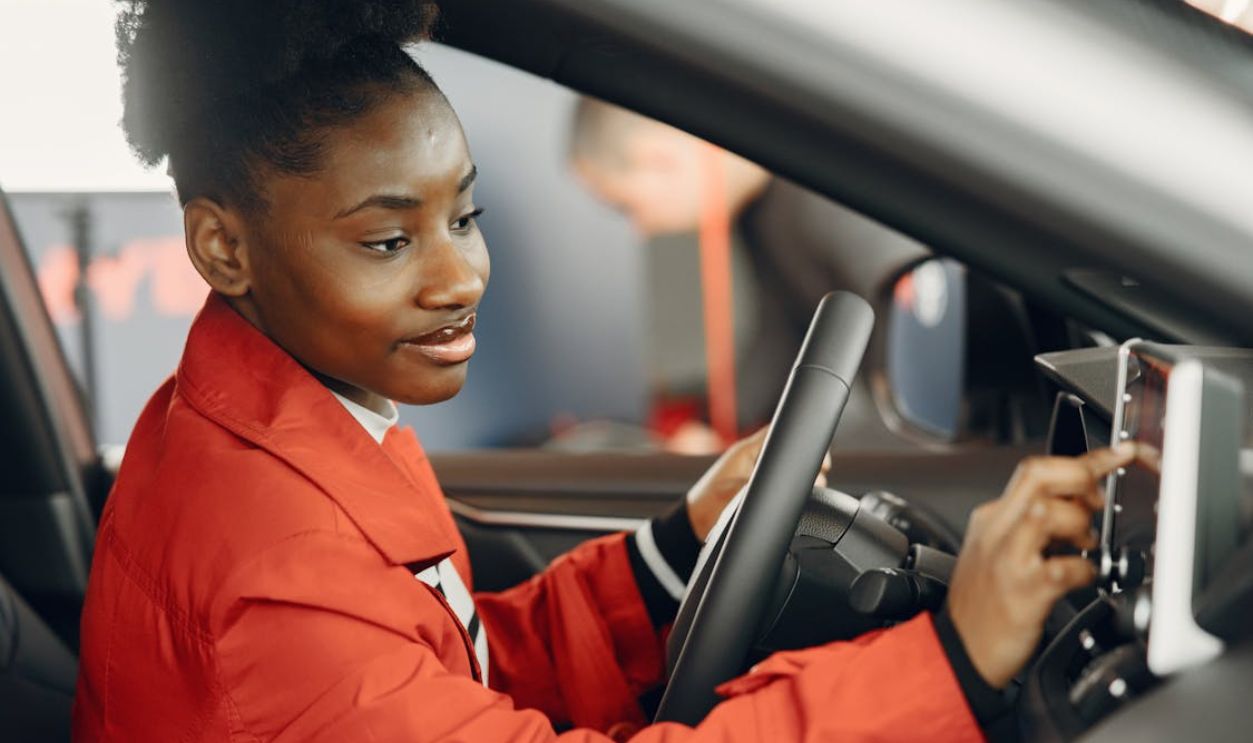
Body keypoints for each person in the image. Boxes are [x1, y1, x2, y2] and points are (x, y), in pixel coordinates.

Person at [74, 1, 1137, 740]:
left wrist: (672, 549)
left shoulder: (285, 417)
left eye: (464, 214)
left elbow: (457, 665)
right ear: (224, 250)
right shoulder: (268, 564)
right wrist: (950, 660)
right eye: (389, 242)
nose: (462, 276)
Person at [569, 98, 931, 443]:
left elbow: (915, 358)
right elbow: (779, 344)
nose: (639, 229)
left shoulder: (826, 193)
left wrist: (776, 453)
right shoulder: (760, 212)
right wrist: (715, 433)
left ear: (658, 158)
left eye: (625, 206)